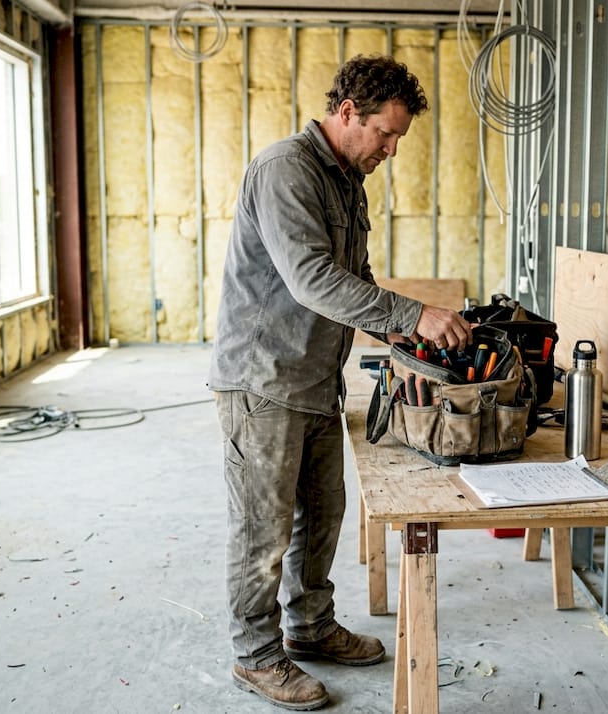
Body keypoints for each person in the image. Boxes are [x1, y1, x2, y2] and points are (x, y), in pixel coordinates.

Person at [207, 55, 473, 710]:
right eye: (385, 133)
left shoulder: (347, 181)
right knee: (263, 527)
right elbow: (312, 281)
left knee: (321, 514)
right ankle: (257, 655)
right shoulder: (285, 171)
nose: (390, 149)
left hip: (315, 376)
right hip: (263, 379)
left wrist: (409, 337)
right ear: (348, 112)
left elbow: (354, 278)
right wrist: (414, 313)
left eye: (398, 139)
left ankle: (310, 626)